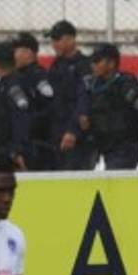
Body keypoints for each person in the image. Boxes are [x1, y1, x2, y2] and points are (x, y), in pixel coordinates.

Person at [46, 20, 96, 170]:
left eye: (58, 40)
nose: (54, 44)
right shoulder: (56, 65)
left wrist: (73, 131)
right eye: (53, 40)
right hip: (56, 132)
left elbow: (84, 100)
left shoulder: (84, 66)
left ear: (71, 39)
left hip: (78, 137)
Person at [11, 32, 59, 170]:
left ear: (28, 53)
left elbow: (49, 108)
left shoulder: (38, 77)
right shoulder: (16, 78)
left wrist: (28, 123)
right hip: (22, 144)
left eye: (16, 51)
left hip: (38, 147)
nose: (12, 55)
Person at [0, 42, 33, 170]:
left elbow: (21, 120)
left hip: (11, 152)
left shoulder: (13, 88)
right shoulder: (6, 86)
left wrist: (16, 152)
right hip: (5, 150)